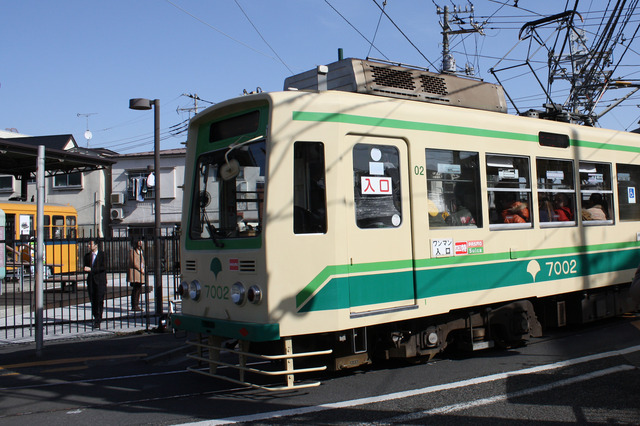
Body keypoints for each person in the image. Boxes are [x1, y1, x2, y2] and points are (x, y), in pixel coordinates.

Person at [83, 238, 107, 328]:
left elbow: (103, 267)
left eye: (91, 244)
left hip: (100, 281)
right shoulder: (87, 256)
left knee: (99, 299)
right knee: (93, 300)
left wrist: (92, 270)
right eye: (88, 244)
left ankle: (98, 318)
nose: (89, 246)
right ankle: (95, 316)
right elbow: (85, 266)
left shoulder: (102, 255)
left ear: (96, 245)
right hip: (91, 281)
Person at [127, 238, 145, 311]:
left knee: (139, 289)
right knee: (135, 289)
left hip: (140, 272)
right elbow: (133, 262)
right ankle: (134, 305)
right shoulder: (132, 251)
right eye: (139, 241)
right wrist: (140, 268)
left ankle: (137, 304)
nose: (141, 242)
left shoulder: (140, 251)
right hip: (135, 272)